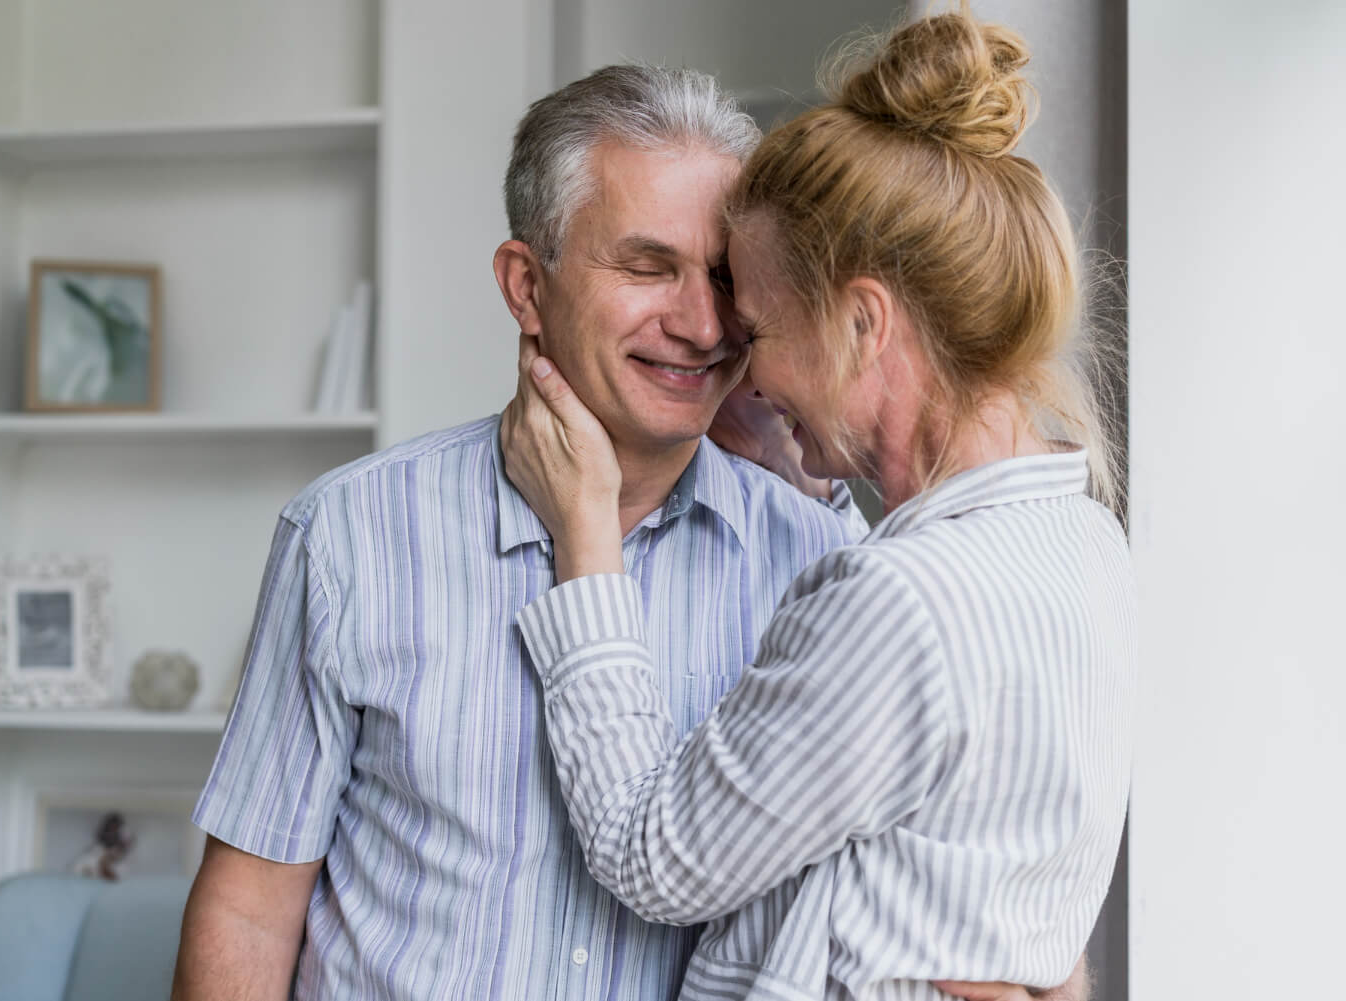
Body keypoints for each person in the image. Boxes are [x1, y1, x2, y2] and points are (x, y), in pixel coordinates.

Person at [170, 64, 874, 1001]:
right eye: (646, 265)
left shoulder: (815, 566)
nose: (702, 324)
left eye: (722, 276)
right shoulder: (349, 534)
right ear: (525, 287)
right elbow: (250, 907)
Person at [500, 9, 1135, 1001]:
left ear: (862, 320)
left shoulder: (900, 598)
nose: (736, 359)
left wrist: (586, 534)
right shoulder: (1085, 539)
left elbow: (650, 854)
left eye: (756, 324)